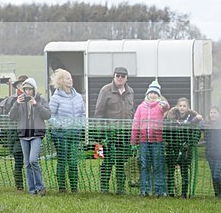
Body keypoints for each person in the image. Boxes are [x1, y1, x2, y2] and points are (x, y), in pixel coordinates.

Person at [94, 66, 135, 194]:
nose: (120, 78)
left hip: (125, 133)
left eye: (123, 76)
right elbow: (99, 113)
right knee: (109, 161)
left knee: (121, 162)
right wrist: (100, 134)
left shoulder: (130, 92)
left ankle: (120, 189)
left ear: (126, 78)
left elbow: (131, 112)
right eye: (118, 76)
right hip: (110, 133)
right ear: (114, 76)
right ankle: (104, 188)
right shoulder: (105, 90)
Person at [9, 78, 51, 195]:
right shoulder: (19, 102)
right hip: (23, 135)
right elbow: (12, 116)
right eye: (25, 89)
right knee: (27, 163)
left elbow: (47, 115)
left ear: (34, 90)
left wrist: (36, 105)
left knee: (33, 160)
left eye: (30, 89)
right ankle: (32, 190)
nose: (27, 91)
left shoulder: (41, 100)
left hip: (36, 134)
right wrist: (17, 104)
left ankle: (40, 187)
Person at [48, 69, 86, 193]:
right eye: (68, 78)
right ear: (61, 81)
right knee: (62, 161)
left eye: (71, 78)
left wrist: (81, 125)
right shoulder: (55, 98)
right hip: (60, 135)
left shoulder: (79, 97)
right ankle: (62, 188)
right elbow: (50, 116)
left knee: (73, 161)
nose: (71, 80)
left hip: (75, 134)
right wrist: (59, 126)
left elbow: (83, 114)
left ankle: (74, 188)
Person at [131, 80, 170, 197]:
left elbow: (167, 107)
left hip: (157, 141)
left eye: (155, 93)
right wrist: (134, 140)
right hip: (144, 141)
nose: (153, 95)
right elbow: (135, 123)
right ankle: (145, 189)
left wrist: (164, 104)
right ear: (147, 94)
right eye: (151, 93)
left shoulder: (160, 106)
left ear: (158, 95)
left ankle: (159, 190)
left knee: (158, 165)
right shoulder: (141, 107)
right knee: (144, 165)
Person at [163, 98, 202, 198]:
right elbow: (166, 132)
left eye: (184, 106)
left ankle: (184, 193)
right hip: (173, 147)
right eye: (180, 105)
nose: (182, 108)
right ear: (177, 106)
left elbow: (196, 134)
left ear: (188, 108)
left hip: (186, 149)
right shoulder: (170, 118)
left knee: (184, 172)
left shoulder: (192, 119)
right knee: (170, 171)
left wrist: (190, 144)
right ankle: (170, 192)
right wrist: (168, 143)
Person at [0, 75, 29, 191]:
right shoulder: (10, 100)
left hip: (30, 134)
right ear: (18, 86)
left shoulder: (34, 98)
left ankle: (33, 185)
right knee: (19, 162)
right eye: (21, 84)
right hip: (15, 135)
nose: (23, 86)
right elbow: (4, 118)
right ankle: (19, 186)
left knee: (32, 161)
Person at [202, 106, 221, 197]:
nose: (212, 115)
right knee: (213, 176)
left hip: (220, 154)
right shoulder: (207, 125)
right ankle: (217, 194)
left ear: (219, 114)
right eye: (211, 113)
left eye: (215, 112)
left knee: (216, 175)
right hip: (210, 154)